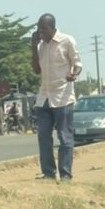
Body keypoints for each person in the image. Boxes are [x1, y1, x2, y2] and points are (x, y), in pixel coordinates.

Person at [31, 13, 82, 182]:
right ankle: (48, 173)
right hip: (44, 97)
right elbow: (36, 70)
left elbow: (77, 63)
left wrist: (73, 74)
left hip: (63, 97)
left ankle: (66, 174)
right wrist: (33, 46)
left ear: (52, 28)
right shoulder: (40, 46)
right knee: (43, 136)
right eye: (39, 29)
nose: (41, 32)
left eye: (44, 29)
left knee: (64, 137)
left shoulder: (67, 41)